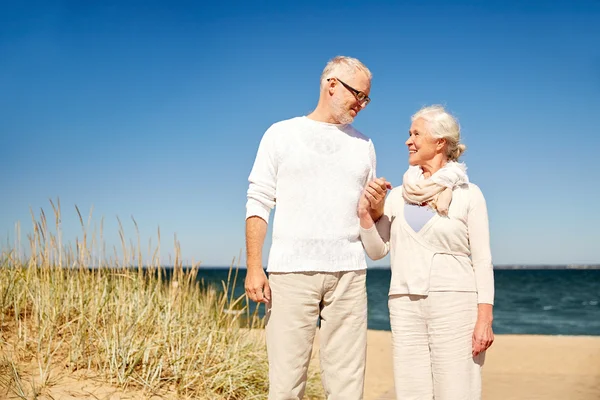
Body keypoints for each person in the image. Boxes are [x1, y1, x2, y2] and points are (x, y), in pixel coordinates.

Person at [244, 56, 388, 400]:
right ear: (331, 84)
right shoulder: (281, 134)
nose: (362, 105)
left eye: (367, 99)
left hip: (350, 273)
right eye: (359, 95)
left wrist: (378, 203)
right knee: (286, 382)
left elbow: (368, 214)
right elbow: (258, 201)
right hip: (291, 272)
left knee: (347, 384)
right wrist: (253, 266)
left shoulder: (364, 145)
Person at [359, 105, 495, 400]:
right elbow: (376, 250)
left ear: (440, 142)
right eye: (409, 134)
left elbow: (483, 260)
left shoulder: (468, 194)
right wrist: (367, 215)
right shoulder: (396, 196)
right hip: (404, 305)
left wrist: (484, 319)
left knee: (457, 390)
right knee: (411, 392)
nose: (408, 141)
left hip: (455, 304)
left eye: (416, 134)